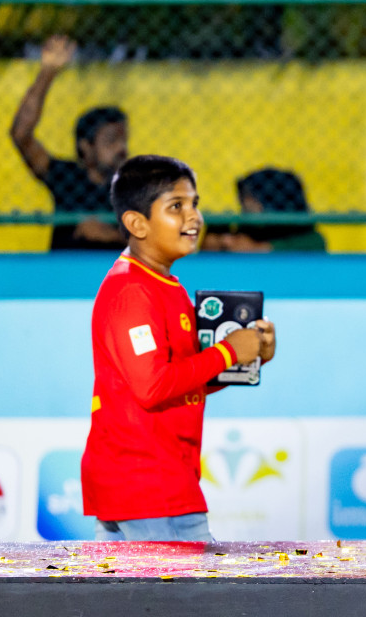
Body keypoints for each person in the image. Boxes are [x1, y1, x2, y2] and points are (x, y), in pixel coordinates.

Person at [81, 154, 276, 541]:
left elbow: (182, 378)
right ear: (136, 223)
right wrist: (227, 353)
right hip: (150, 486)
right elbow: (153, 386)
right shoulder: (132, 291)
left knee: (139, 602)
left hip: (153, 483)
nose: (194, 217)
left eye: (194, 204)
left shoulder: (161, 285)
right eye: (176, 207)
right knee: (192, 601)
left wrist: (248, 356)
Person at [9, 34, 129, 250]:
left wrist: (110, 236)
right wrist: (48, 72)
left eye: (124, 140)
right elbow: (21, 135)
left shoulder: (131, 188)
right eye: (111, 140)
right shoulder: (67, 177)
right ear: (86, 147)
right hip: (64, 274)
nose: (122, 148)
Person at [202, 168, 327, 253]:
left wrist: (255, 248)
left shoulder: (308, 238)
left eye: (250, 197)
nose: (244, 203)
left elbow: (315, 243)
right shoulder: (248, 227)